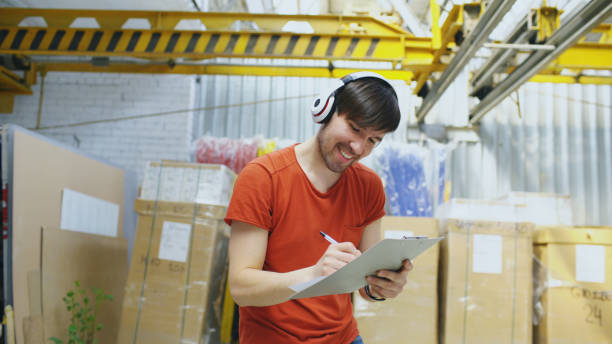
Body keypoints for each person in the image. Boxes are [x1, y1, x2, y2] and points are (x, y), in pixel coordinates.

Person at [224, 71, 413, 344]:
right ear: (325, 110)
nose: (358, 147)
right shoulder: (263, 177)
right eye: (354, 128)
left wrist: (382, 287)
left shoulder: (369, 187)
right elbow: (241, 286)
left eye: (373, 140)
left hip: (342, 337)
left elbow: (365, 283)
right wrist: (313, 274)